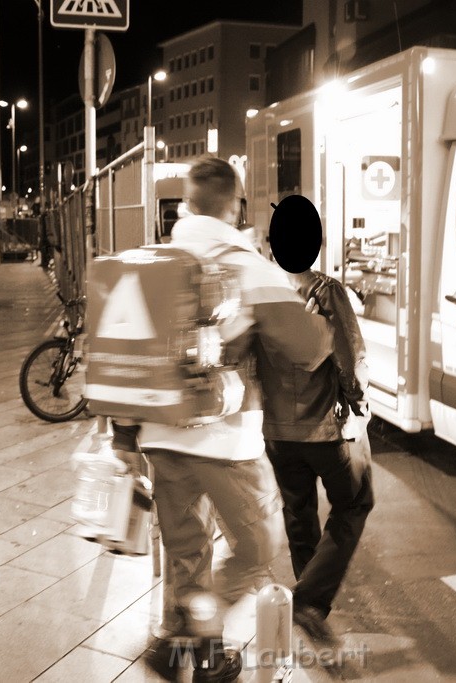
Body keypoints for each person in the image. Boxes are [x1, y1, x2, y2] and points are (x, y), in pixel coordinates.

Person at [139, 156, 334, 682]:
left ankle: (188, 654)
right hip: (223, 441)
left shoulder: (159, 256)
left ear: (186, 205)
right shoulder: (245, 263)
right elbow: (308, 346)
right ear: (235, 205)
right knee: (259, 545)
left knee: (186, 549)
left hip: (158, 434)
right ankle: (196, 633)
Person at [261, 194, 374, 646]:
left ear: (274, 246)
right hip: (324, 429)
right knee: (355, 502)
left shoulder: (265, 293)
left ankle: (307, 604)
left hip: (277, 433)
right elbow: (351, 355)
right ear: (318, 242)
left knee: (299, 511)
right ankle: (309, 600)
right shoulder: (326, 290)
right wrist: (359, 403)